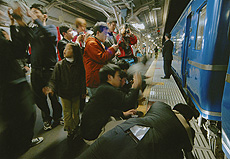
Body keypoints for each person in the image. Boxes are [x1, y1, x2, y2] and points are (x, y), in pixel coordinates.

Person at [78, 101, 199, 159]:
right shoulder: (187, 130)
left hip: (117, 133)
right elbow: (188, 152)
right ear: (187, 119)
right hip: (138, 151)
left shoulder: (159, 106)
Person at [0, 6, 43, 159]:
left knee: (11, 120)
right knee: (25, 117)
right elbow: (17, 50)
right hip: (13, 84)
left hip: (6, 85)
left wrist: (12, 25)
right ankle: (23, 145)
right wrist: (19, 21)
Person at [80, 64, 142, 143]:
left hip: (90, 132)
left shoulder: (103, 88)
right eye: (118, 76)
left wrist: (123, 113)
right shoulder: (107, 89)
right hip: (94, 135)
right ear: (109, 77)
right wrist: (135, 87)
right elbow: (128, 104)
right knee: (130, 130)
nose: (120, 79)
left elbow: (106, 109)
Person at [26, 3, 63, 130]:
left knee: (54, 96)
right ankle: (47, 118)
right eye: (32, 12)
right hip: (36, 71)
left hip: (50, 71)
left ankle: (58, 117)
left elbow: (49, 35)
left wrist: (35, 19)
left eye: (36, 12)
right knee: (39, 98)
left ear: (44, 16)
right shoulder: (33, 31)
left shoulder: (52, 28)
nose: (33, 14)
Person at [43, 43, 85, 139]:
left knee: (75, 112)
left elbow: (82, 79)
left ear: (74, 52)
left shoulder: (79, 64)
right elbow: (54, 79)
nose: (64, 50)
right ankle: (69, 130)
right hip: (64, 93)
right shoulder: (59, 65)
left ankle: (76, 128)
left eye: (68, 49)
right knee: (67, 112)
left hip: (76, 93)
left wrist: (83, 91)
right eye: (64, 49)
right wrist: (51, 88)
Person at [83, 22, 119, 97]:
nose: (106, 36)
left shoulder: (97, 43)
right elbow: (101, 58)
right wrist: (112, 49)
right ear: (98, 33)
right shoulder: (91, 43)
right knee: (97, 102)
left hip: (97, 78)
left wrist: (112, 52)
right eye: (105, 34)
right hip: (94, 80)